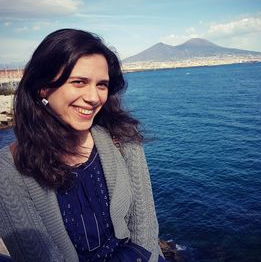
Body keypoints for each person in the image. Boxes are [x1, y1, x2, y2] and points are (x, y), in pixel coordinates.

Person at [0, 29, 165, 262]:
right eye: (79, 82)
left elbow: (145, 226)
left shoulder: (123, 138)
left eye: (102, 85)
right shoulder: (8, 171)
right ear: (43, 88)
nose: (94, 97)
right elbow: (36, 254)